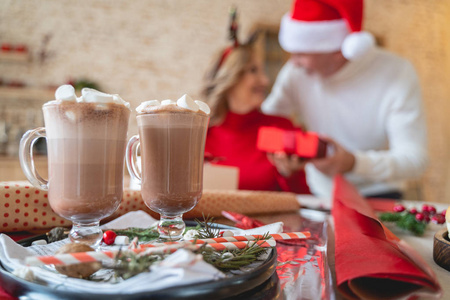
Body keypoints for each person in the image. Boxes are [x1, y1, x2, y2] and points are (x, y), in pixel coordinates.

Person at [261, 0, 428, 199]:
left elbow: (415, 160)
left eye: (300, 53)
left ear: (340, 51)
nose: (293, 62)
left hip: (379, 195)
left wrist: (353, 163)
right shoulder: (296, 73)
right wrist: (283, 156)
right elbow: (266, 122)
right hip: (320, 194)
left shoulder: (397, 73)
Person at [201, 11, 310, 194]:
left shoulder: (281, 128)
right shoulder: (202, 135)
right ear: (231, 78)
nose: (265, 80)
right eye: (253, 71)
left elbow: (303, 201)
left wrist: (289, 174)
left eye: (262, 71)